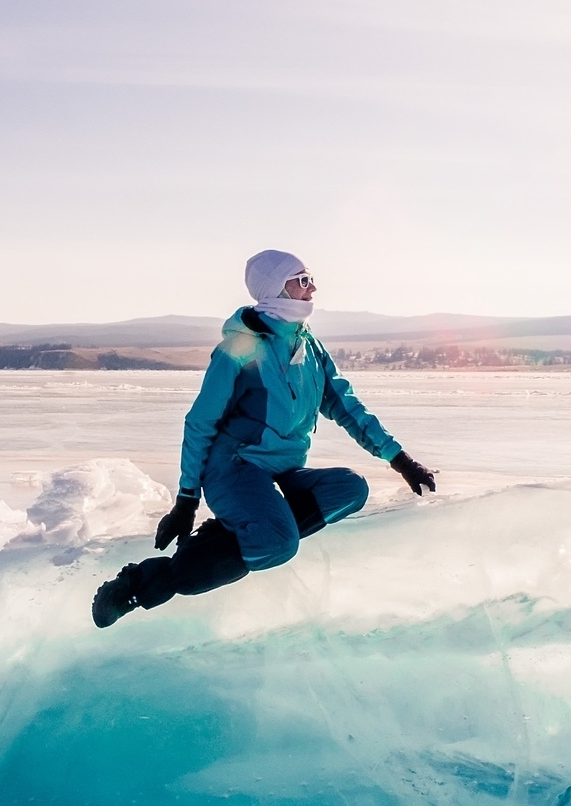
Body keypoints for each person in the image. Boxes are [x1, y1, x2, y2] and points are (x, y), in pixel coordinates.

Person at [92, 250, 439, 627]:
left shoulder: (308, 345)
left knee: (350, 489)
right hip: (236, 469)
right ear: (277, 289)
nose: (313, 288)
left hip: (282, 469)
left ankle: (230, 532)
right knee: (278, 543)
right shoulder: (240, 348)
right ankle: (144, 583)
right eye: (302, 280)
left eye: (310, 279)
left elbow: (347, 407)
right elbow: (199, 423)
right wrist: (187, 500)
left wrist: (400, 460)